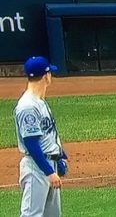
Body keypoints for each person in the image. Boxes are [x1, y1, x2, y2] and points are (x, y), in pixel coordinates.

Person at [14, 56, 67, 217]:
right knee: (31, 215)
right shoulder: (28, 106)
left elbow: (48, 134)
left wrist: (59, 158)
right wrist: (48, 171)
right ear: (45, 76)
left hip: (48, 163)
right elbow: (31, 143)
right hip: (37, 167)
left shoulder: (39, 101)